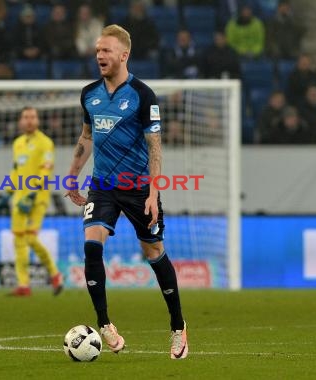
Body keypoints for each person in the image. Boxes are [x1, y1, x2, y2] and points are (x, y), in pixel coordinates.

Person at [64, 25, 188, 359]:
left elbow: (155, 146)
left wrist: (152, 192)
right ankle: (104, 324)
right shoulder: (89, 94)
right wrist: (73, 174)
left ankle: (178, 327)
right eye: (97, 50)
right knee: (92, 246)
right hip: (102, 185)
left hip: (137, 189)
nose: (99, 56)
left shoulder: (143, 95)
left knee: (154, 253)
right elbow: (87, 137)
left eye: (106, 50)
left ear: (124, 54)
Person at [0, 106, 64, 297]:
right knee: (19, 239)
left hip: (38, 197)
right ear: (21, 121)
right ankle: (23, 285)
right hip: (19, 197)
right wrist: (8, 192)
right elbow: (15, 169)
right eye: (25, 117)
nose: (29, 120)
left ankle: (55, 275)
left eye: (32, 117)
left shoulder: (45, 143)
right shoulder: (17, 143)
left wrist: (34, 190)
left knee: (30, 238)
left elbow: (46, 168)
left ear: (37, 120)